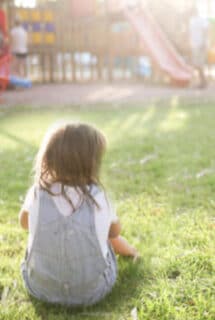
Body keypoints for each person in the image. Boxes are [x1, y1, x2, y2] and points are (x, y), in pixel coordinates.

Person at [19, 122, 138, 306]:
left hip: (40, 288)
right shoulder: (99, 197)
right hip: (93, 292)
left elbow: (24, 224)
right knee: (106, 235)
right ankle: (130, 251)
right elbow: (114, 232)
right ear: (91, 163)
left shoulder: (37, 193)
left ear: (49, 158)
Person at [189, 7, 209, 88]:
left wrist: (204, 43)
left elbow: (206, 31)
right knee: (196, 64)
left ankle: (203, 82)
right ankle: (202, 81)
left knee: (200, 64)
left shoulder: (202, 20)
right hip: (194, 45)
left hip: (201, 45)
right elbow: (191, 33)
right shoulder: (191, 21)